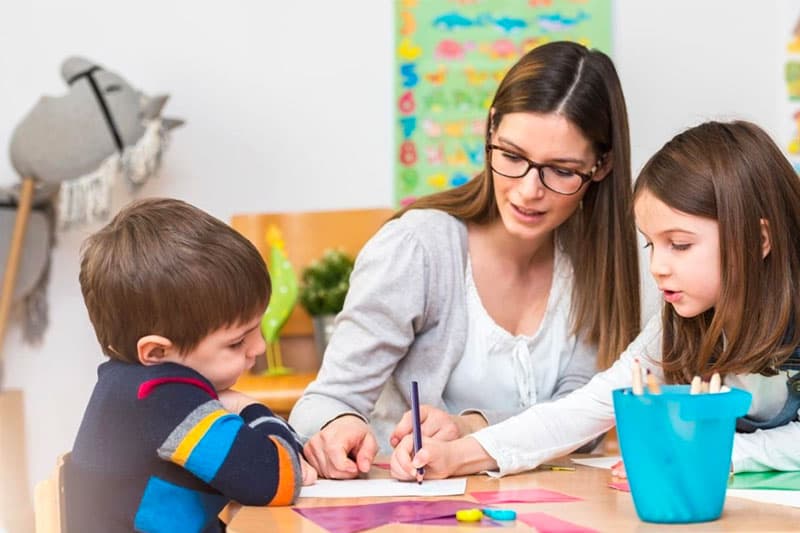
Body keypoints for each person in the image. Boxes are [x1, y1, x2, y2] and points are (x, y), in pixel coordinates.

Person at [290, 40, 642, 479]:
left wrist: (470, 429)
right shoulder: (418, 249)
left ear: (602, 165)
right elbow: (325, 403)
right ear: (491, 129)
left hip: (538, 510)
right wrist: (339, 425)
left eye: (562, 170)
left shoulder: (593, 264)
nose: (529, 190)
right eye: (512, 156)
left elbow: (583, 419)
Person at [391, 120, 800, 480]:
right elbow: (586, 407)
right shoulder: (683, 322)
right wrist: (457, 456)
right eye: (650, 245)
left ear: (758, 239)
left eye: (679, 244)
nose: (657, 267)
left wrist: (728, 453)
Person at [65, 198, 317, 533]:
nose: (259, 347)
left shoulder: (130, 386)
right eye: (237, 342)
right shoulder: (160, 396)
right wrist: (248, 405)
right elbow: (276, 479)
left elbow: (282, 465)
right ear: (156, 352)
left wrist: (286, 454)